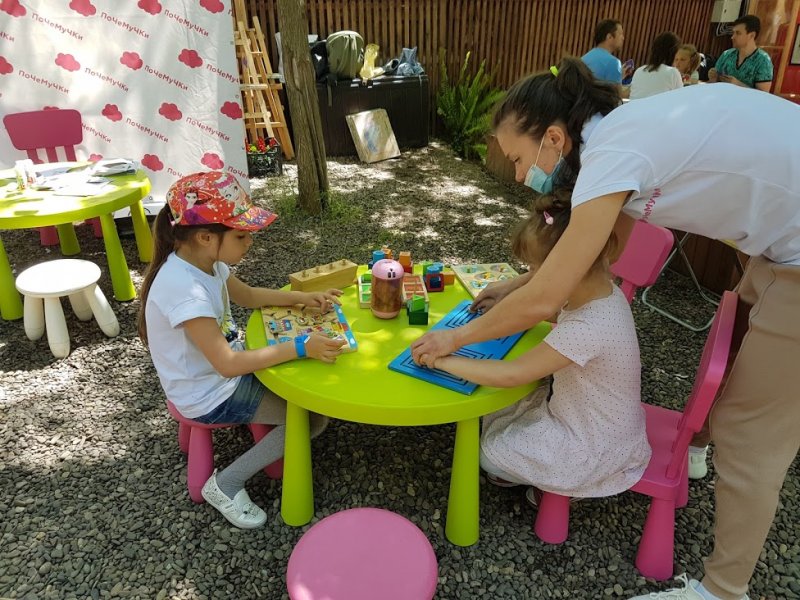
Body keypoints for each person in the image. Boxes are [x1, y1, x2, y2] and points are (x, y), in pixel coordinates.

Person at [410, 57, 800, 600]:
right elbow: (576, 262)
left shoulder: (614, 152)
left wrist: (451, 340)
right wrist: (520, 283)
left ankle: (721, 591)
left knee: (752, 438)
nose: (521, 176)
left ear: (553, 136)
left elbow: (552, 294)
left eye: (519, 159)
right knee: (733, 358)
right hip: (780, 247)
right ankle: (694, 447)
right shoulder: (619, 137)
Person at [138, 171, 345, 529]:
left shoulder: (205, 262)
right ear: (205, 237)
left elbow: (246, 295)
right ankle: (227, 483)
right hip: (209, 393)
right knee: (312, 417)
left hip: (216, 376)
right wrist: (298, 346)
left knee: (305, 385)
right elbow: (228, 364)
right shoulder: (186, 290)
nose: (250, 242)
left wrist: (300, 298)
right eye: (241, 235)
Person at [434, 192, 651, 507]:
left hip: (592, 448)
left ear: (564, 267)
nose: (535, 277)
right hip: (601, 423)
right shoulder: (603, 290)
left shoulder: (587, 328)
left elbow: (513, 373)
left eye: (536, 268)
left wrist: (443, 361)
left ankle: (569, 484)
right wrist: (509, 291)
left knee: (489, 455)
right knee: (496, 407)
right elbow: (547, 282)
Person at [710, 15, 773, 91]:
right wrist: (713, 77)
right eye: (733, 33)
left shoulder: (763, 61)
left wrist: (738, 85)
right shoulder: (726, 55)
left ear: (752, 35)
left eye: (738, 33)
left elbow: (763, 96)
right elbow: (713, 84)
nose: (732, 37)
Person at [581, 19, 633, 92]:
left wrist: (619, 76)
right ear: (609, 37)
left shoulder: (585, 57)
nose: (623, 38)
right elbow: (617, 95)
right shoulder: (613, 62)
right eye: (620, 34)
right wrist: (636, 87)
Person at [629, 31, 684, 100]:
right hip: (657, 110)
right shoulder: (672, 72)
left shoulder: (639, 70)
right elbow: (680, 100)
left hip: (634, 110)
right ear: (673, 53)